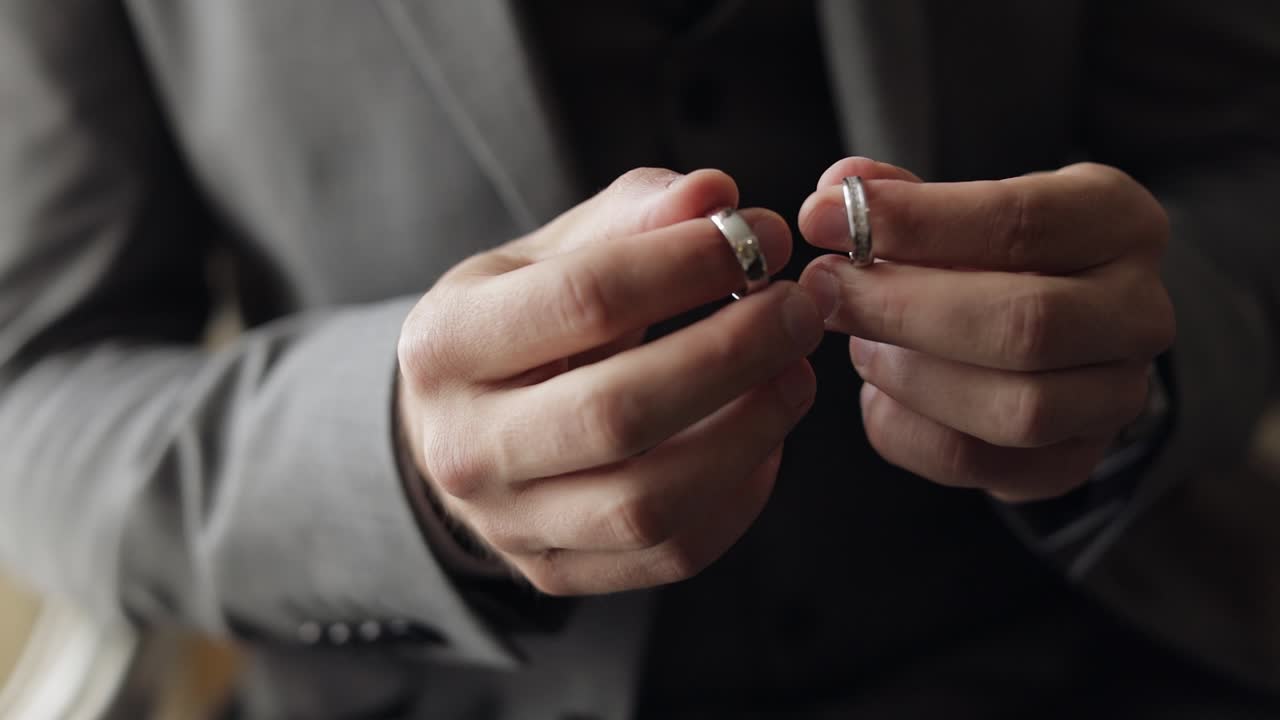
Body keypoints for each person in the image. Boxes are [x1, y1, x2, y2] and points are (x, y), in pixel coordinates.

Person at [0, 1, 1276, 717]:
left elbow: (1245, 159)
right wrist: (387, 463)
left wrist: (1142, 348)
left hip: (1090, 656)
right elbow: (37, 393)